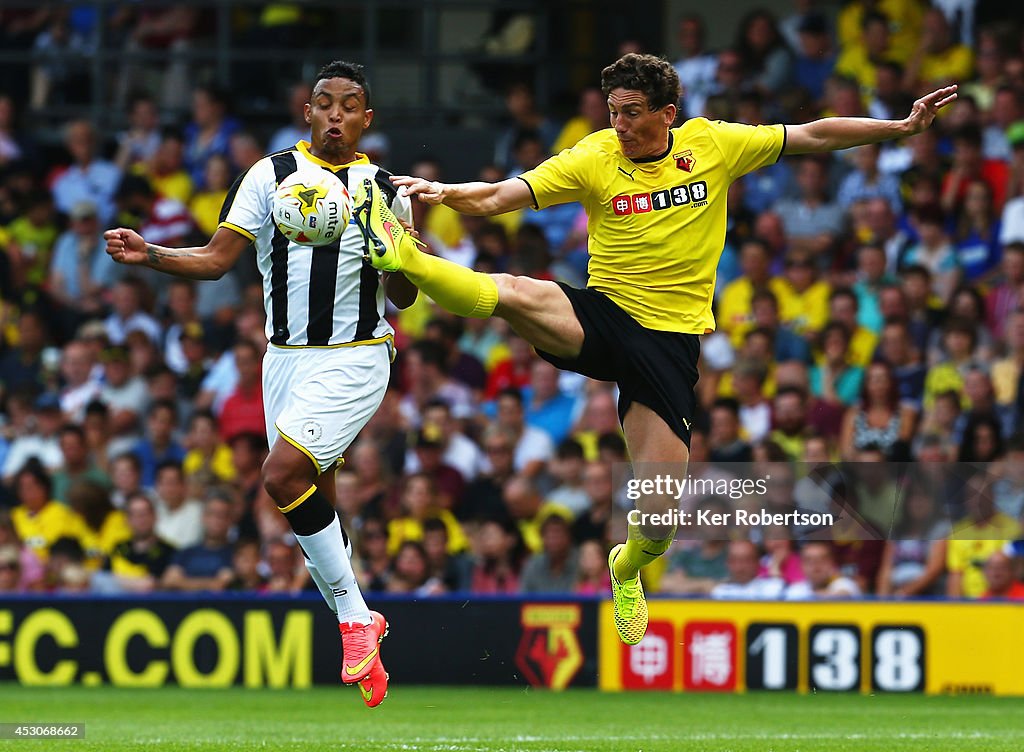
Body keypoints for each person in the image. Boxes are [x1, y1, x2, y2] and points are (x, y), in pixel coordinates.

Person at [363, 52, 956, 645]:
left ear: (667, 113)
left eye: (632, 113)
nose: (618, 124)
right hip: (603, 315)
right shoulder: (593, 156)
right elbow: (499, 197)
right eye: (613, 111)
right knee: (520, 292)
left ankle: (625, 567)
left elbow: (813, 133)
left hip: (669, 344)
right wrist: (439, 191)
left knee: (660, 520)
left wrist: (900, 128)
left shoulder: (713, 145)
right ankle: (405, 254)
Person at [103, 60, 415, 706]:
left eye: (348, 105)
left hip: (355, 354)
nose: (335, 114)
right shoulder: (269, 175)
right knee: (313, 497)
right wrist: (153, 254)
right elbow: (218, 260)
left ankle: (356, 620)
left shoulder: (385, 186)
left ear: (366, 119)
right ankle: (362, 625)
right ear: (308, 112)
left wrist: (401, 247)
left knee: (280, 476)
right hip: (284, 360)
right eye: (323, 102)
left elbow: (405, 296)